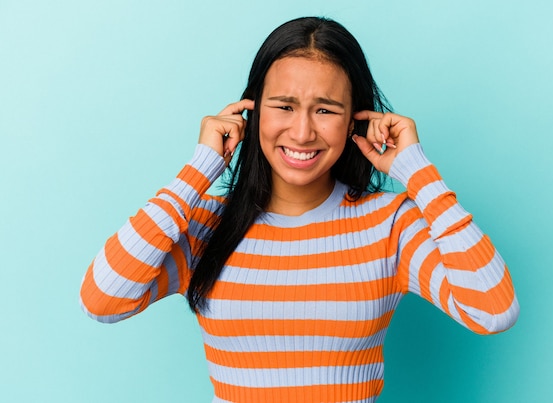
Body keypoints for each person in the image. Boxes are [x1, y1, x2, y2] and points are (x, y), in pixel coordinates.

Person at [80, 16, 519, 403]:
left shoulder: (391, 225)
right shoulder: (203, 226)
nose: (303, 131)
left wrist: (417, 171)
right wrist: (200, 169)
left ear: (354, 122)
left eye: (325, 109)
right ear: (250, 112)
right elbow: (102, 299)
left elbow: (493, 310)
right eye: (284, 106)